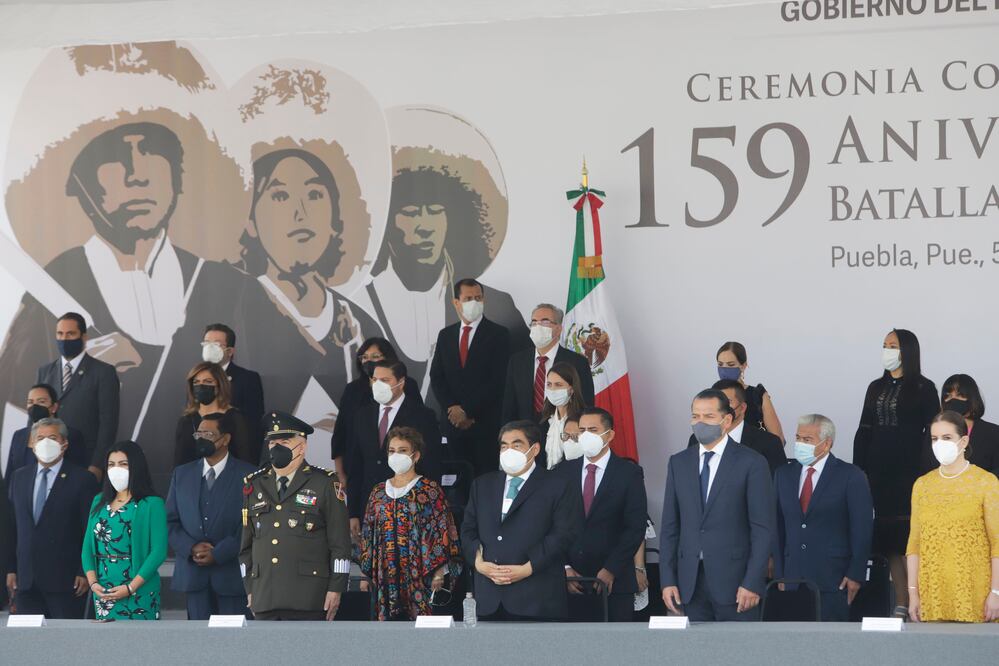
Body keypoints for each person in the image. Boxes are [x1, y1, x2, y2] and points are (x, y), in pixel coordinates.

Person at [357, 105, 530, 399]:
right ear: (386, 223)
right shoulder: (356, 308)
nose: (425, 226)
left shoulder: (500, 305)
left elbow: (515, 379)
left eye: (435, 211)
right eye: (411, 212)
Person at [660, 389, 774, 622]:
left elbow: (762, 529)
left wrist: (752, 582)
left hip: (736, 586)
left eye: (708, 417)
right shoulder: (678, 463)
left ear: (727, 420)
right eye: (695, 416)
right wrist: (668, 581)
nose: (700, 423)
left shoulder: (751, 462)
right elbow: (670, 527)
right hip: (688, 585)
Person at [853, 328, 938, 616]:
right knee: (888, 540)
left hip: (911, 471)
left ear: (908, 351)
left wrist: (928, 472)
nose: (887, 350)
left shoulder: (924, 388)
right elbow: (864, 429)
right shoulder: (875, 387)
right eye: (885, 345)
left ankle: (918, 600)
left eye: (893, 345)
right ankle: (901, 601)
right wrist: (860, 469)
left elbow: (932, 432)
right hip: (879, 471)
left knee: (908, 539)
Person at [460, 420, 582, 621]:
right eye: (504, 446)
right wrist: (479, 563)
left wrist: (528, 568)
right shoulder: (482, 485)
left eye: (516, 445)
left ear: (534, 449)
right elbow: (467, 530)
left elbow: (564, 534)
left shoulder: (557, 485)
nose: (509, 451)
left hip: (536, 599)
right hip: (489, 599)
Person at [240, 411, 351, 621]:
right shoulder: (253, 485)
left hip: (309, 597)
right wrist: (250, 588)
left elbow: (340, 544)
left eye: (284, 441)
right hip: (265, 596)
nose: (277, 448)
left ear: (302, 446)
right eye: (273, 443)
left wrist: (336, 589)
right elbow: (246, 546)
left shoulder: (325, 483)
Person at [774, 414, 874, 621]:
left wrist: (856, 573)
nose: (800, 444)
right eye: (798, 438)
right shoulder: (783, 474)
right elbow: (778, 526)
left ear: (826, 443)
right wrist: (780, 573)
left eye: (807, 440)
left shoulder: (850, 475)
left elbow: (862, 529)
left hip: (833, 579)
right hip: (792, 579)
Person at [359, 426, 462, 620]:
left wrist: (439, 572)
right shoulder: (378, 492)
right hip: (385, 575)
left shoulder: (428, 490)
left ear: (416, 456)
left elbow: (443, 531)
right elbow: (367, 534)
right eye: (392, 451)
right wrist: (366, 576)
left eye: (402, 450)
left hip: (420, 575)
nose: (396, 455)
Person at [907, 411, 999, 623]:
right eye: (934, 439)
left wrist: (996, 593)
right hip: (933, 594)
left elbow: (997, 542)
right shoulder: (922, 485)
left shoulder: (986, 482)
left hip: (976, 594)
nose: (940, 444)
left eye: (947, 438)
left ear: (964, 441)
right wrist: (913, 594)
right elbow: (914, 544)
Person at [166, 412, 258, 620]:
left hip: (232, 576)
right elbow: (170, 521)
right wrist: (191, 548)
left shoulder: (249, 476)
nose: (201, 439)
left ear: (225, 439)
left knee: (234, 645)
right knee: (198, 646)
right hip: (193, 575)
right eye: (198, 433)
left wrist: (220, 552)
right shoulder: (182, 474)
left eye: (208, 433)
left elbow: (253, 523)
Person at [558, 408, 647, 622]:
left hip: (616, 583)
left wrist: (611, 569)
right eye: (581, 430)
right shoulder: (561, 472)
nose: (585, 435)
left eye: (593, 429)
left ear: (609, 435)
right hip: (572, 583)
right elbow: (552, 525)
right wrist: (566, 568)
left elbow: (635, 527)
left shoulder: (629, 473)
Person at [6, 417, 99, 618]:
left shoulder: (83, 479)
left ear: (64, 444)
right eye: (40, 438)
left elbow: (90, 530)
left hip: (66, 581)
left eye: (52, 438)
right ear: (31, 444)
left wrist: (84, 571)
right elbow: (13, 528)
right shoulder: (18, 477)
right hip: (26, 580)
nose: (45, 443)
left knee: (65, 644)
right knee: (27, 644)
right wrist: (10, 568)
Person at [347, 361, 442, 541]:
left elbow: (432, 465)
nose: (378, 385)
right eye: (375, 380)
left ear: (401, 382)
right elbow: (356, 465)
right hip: (370, 508)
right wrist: (353, 512)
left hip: (411, 510)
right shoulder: (362, 415)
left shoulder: (423, 416)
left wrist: (427, 508)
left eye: (385, 380)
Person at [429, 278, 511, 476]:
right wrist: (453, 409)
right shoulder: (446, 335)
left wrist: (467, 411)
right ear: (456, 302)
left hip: (484, 426)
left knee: (485, 483)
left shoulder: (499, 334)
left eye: (478, 298)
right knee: (458, 489)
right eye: (468, 298)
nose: (474, 302)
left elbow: (498, 380)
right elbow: (437, 376)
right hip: (453, 426)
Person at [83, 441, 168, 620]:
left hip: (139, 591)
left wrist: (131, 587)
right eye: (111, 464)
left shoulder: (152, 503)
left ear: (136, 467)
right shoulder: (99, 501)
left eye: (123, 464)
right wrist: (93, 584)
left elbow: (158, 551)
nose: (116, 469)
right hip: (104, 591)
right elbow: (87, 550)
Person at [35, 312, 119, 479]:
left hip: (85, 462)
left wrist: (97, 464)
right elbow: (36, 419)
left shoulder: (103, 372)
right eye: (60, 334)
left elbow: (108, 424)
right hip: (49, 462)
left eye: (70, 334)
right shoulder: (44, 372)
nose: (64, 339)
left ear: (84, 337)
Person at [331, 337, 421, 482]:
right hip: (359, 472)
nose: (369, 361)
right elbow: (340, 433)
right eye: (364, 357)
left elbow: (419, 427)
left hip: (399, 472)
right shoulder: (353, 390)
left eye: (375, 357)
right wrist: (340, 473)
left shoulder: (408, 385)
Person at [501, 303, 594, 431]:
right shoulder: (517, 361)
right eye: (534, 322)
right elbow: (509, 406)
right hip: (526, 436)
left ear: (559, 329)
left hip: (563, 435)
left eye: (545, 322)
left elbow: (585, 405)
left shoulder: (577, 363)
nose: (538, 326)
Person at [687, 380, 786, 475]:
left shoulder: (769, 443)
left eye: (728, 401)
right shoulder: (696, 439)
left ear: (742, 408)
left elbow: (778, 486)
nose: (722, 407)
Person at [173, 362, 257, 469]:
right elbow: (179, 463)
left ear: (219, 385)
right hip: (193, 481)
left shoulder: (235, 418)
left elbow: (245, 458)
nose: (201, 386)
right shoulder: (186, 420)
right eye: (196, 382)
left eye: (208, 382)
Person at [5, 383, 86, 480]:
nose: (35, 406)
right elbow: (10, 473)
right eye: (30, 402)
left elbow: (78, 473)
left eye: (41, 401)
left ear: (54, 407)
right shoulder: (19, 435)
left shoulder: (71, 435)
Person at [924, 374, 999, 477]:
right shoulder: (933, 431)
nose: (953, 400)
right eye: (948, 396)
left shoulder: (993, 433)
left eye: (959, 395)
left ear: (972, 398)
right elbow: (925, 469)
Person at [716, 341, 784, 441]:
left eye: (731, 365)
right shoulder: (712, 396)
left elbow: (778, 439)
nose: (724, 369)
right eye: (720, 364)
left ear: (743, 366)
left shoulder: (757, 395)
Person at [201, 323, 265, 428]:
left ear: (230, 351)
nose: (209, 348)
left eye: (216, 344)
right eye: (207, 343)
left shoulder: (248, 379)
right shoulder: (197, 378)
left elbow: (253, 421)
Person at [541, 363, 587, 470]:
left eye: (558, 385)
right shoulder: (545, 419)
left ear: (571, 389)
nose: (552, 390)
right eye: (549, 384)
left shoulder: (583, 420)